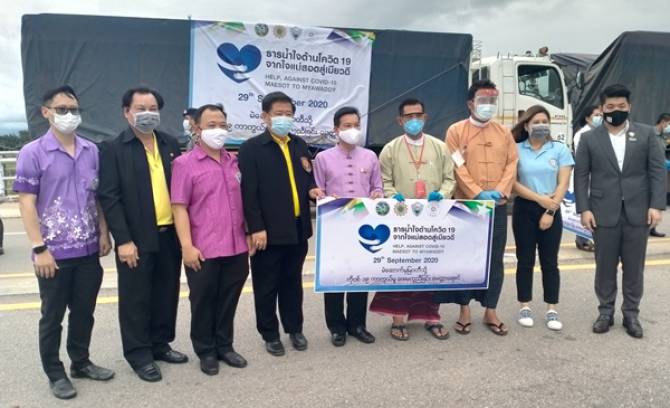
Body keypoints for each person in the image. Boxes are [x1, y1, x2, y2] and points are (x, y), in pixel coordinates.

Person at [14, 86, 114, 399]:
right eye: (61, 109)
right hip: (53, 253)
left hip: (88, 250)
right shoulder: (32, 152)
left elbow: (97, 196)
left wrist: (103, 232)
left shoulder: (91, 150)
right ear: (46, 112)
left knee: (84, 312)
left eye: (74, 109)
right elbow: (26, 203)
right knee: (52, 317)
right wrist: (39, 248)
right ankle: (55, 373)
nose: (69, 115)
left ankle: (80, 362)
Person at [98, 86, 187, 382]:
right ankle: (139, 354)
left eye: (153, 109)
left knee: (166, 292)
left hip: (169, 234)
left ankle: (160, 344)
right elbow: (109, 197)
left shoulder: (169, 143)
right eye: (140, 109)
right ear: (127, 112)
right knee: (136, 298)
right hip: (135, 238)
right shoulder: (113, 148)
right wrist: (123, 240)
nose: (147, 114)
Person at [574, 84, 666, 339]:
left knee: (634, 267)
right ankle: (605, 312)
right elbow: (581, 176)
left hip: (638, 211)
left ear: (629, 107)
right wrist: (584, 209)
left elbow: (657, 171)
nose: (616, 110)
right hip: (602, 211)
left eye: (621, 106)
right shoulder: (589, 138)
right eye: (611, 107)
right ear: (602, 108)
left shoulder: (646, 134)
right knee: (605, 266)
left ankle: (631, 314)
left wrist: (656, 205)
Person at [238, 92, 324, 357]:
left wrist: (312, 190)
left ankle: (294, 329)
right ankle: (270, 334)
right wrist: (256, 228)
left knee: (292, 283)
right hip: (268, 232)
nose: (284, 118)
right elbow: (248, 193)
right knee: (266, 286)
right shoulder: (251, 148)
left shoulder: (299, 144)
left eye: (288, 114)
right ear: (265, 116)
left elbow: (307, 178)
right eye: (278, 114)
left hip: (298, 228)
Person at [171, 104, 251, 375]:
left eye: (222, 125)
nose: (218, 130)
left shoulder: (233, 161)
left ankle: (225, 345)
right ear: (197, 128)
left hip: (236, 245)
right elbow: (179, 207)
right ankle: (205, 350)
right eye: (211, 125)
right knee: (203, 300)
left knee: (229, 298)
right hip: (203, 247)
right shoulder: (184, 164)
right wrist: (186, 246)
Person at [437, 79, 519, 336]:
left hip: (496, 205)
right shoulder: (456, 131)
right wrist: (477, 193)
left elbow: (512, 163)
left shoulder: (504, 132)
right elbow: (456, 165)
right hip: (466, 205)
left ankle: (490, 310)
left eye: (492, 100)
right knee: (464, 258)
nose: (488, 105)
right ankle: (464, 310)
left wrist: (501, 190)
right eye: (483, 100)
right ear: (470, 104)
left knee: (494, 259)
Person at [369, 98, 455, 341]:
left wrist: (443, 194)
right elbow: (384, 181)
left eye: (418, 115)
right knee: (401, 268)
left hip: (432, 218)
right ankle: (398, 319)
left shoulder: (440, 147)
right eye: (409, 117)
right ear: (400, 121)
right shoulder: (390, 149)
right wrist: (392, 196)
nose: (414, 120)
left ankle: (432, 318)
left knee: (432, 268)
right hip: (401, 219)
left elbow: (450, 179)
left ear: (425, 118)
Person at [313, 106, 382, 347]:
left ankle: (357, 325)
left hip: (363, 226)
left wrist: (377, 193)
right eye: (347, 126)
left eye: (356, 125)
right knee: (334, 276)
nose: (353, 130)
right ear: (336, 129)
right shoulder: (323, 158)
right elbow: (317, 190)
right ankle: (336, 327)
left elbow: (377, 187)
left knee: (360, 276)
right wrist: (321, 196)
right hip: (335, 227)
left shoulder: (370, 156)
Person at [511, 105, 574, 331]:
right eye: (536, 122)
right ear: (526, 125)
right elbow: (513, 183)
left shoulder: (559, 149)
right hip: (525, 208)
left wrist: (550, 210)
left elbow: (563, 183)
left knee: (550, 262)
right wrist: (540, 200)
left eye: (544, 122)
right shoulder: (516, 149)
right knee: (525, 260)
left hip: (552, 209)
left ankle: (551, 308)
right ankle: (524, 305)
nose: (541, 126)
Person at [572, 106, 602, 251]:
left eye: (601, 115)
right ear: (587, 118)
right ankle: (582, 239)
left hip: (600, 178)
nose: (600, 117)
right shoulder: (581, 134)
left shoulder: (602, 132)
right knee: (586, 208)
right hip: (587, 176)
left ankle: (591, 238)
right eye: (596, 115)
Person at [650, 112, 670, 235]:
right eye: (668, 124)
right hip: (651, 172)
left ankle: (653, 228)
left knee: (658, 200)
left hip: (660, 171)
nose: (668, 127)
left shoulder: (663, 136)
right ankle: (647, 227)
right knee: (650, 200)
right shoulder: (650, 134)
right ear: (663, 122)